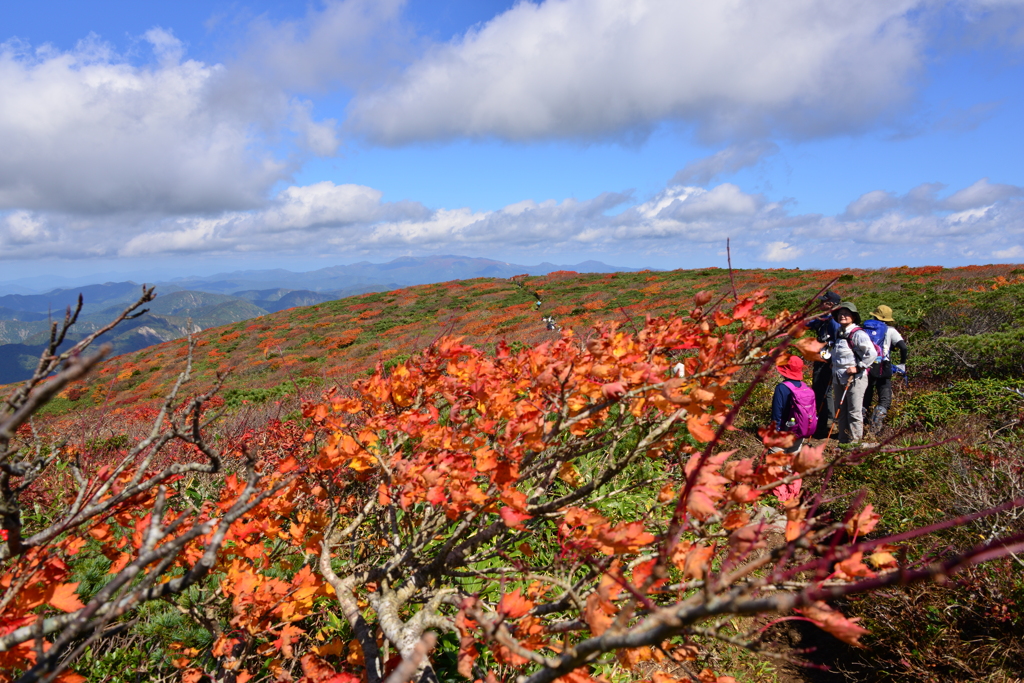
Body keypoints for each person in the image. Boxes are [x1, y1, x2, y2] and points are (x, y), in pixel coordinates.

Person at [830, 302, 877, 444]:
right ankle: (843, 441)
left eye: (846, 313)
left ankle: (855, 443)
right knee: (841, 411)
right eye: (840, 313)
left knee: (854, 412)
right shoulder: (839, 333)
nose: (842, 315)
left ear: (853, 317)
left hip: (855, 379)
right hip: (838, 377)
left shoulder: (858, 334)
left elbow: (872, 353)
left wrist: (859, 367)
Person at [863, 304, 908, 433]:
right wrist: (902, 363)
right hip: (883, 366)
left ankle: (858, 428)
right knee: (885, 399)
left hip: (867, 365)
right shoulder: (890, 330)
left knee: (866, 396)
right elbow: (903, 347)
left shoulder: (865, 329)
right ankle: (874, 430)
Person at [805, 291, 842, 438]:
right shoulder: (825, 318)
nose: (819, 304)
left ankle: (823, 425)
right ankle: (827, 421)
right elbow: (807, 324)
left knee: (822, 391)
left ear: (830, 304)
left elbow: (838, 340)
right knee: (823, 391)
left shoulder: (834, 321)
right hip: (821, 358)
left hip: (827, 361)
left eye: (823, 302)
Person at [768, 355, 816, 454]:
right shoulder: (804, 386)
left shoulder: (782, 387)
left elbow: (777, 411)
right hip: (799, 429)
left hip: (784, 430)